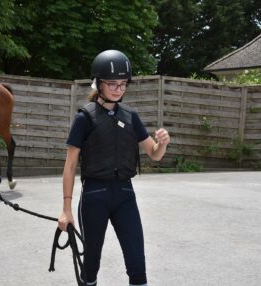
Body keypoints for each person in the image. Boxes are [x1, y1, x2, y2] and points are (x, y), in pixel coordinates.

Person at [58, 50, 170, 286]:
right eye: (112, 84)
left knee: (138, 267)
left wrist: (162, 144)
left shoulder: (131, 116)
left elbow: (154, 154)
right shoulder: (84, 118)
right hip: (94, 196)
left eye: (122, 84)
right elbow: (69, 167)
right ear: (98, 83)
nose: (118, 89)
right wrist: (66, 209)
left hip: (125, 195)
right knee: (91, 267)